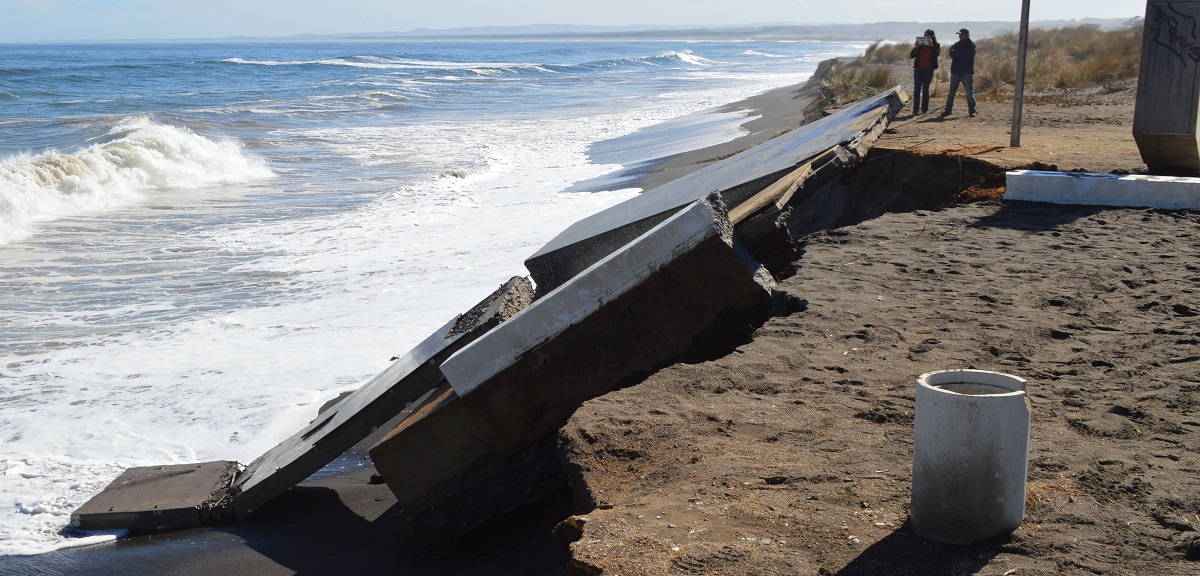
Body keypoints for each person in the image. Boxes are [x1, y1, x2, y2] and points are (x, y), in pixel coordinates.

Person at [942, 28, 977, 117]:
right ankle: (948, 110)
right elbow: (952, 54)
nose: (960, 36)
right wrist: (960, 54)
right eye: (959, 35)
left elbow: (968, 57)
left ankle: (972, 110)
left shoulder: (971, 45)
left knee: (969, 92)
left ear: (966, 35)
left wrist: (958, 54)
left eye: (962, 35)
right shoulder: (956, 45)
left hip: (967, 72)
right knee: (951, 92)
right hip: (956, 71)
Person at [909, 29, 940, 115]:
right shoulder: (921, 45)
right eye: (925, 36)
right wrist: (916, 47)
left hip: (929, 69)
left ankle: (924, 109)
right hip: (918, 69)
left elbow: (936, 54)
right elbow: (912, 55)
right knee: (917, 89)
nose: (926, 38)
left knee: (925, 89)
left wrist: (931, 46)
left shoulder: (936, 45)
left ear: (932, 37)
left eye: (928, 36)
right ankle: (915, 109)